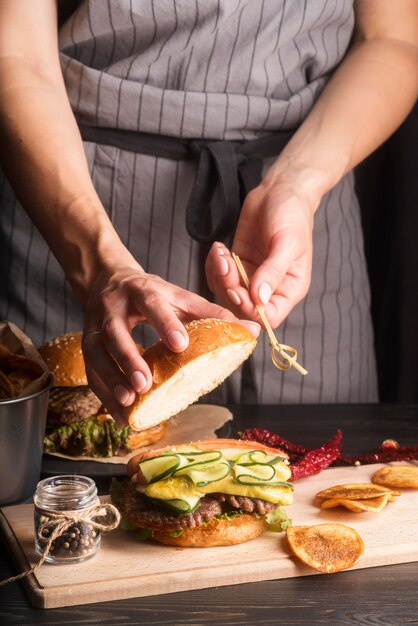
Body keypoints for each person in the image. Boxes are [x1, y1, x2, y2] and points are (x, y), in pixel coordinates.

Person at [0, 0, 417, 422]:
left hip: (304, 213)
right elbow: (17, 54)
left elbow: (391, 37)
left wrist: (298, 182)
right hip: (77, 205)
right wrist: (98, 266)